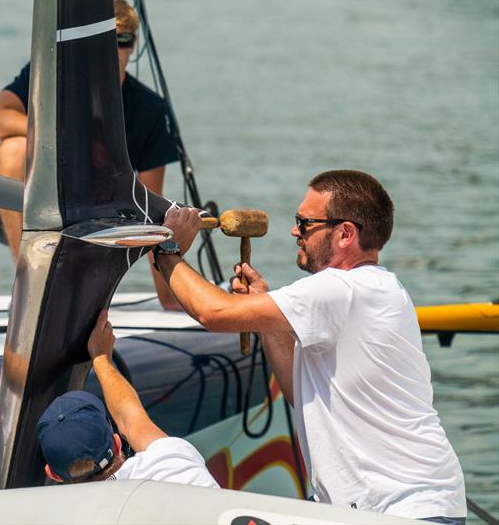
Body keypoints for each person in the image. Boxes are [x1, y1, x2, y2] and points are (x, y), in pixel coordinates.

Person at [150, 170, 466, 523]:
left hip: (404, 510)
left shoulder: (341, 289)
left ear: (345, 233)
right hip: (401, 506)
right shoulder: (375, 288)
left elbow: (214, 312)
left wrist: (167, 250)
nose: (294, 232)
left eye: (305, 223)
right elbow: (302, 397)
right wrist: (266, 320)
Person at [0, 0, 182, 310]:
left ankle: (66, 292)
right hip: (26, 211)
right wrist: (60, 133)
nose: (111, 51)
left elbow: (151, 206)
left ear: (132, 47)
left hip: (95, 218)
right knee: (11, 149)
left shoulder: (151, 110)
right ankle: (26, 291)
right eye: (103, 42)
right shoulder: (48, 75)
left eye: (122, 41)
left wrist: (170, 297)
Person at [36, 310, 219, 487]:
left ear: (53, 475)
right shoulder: (173, 464)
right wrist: (100, 357)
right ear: (117, 443)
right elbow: (131, 420)